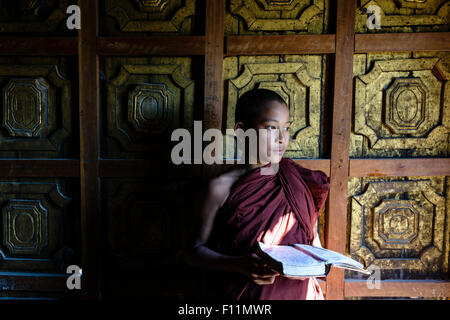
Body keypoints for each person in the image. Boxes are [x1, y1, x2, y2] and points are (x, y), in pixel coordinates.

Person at [185, 88, 330, 300]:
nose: (282, 139)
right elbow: (192, 252)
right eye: (272, 128)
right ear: (242, 131)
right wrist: (238, 265)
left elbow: (314, 245)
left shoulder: (296, 181)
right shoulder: (220, 188)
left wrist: (310, 268)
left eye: (287, 128)